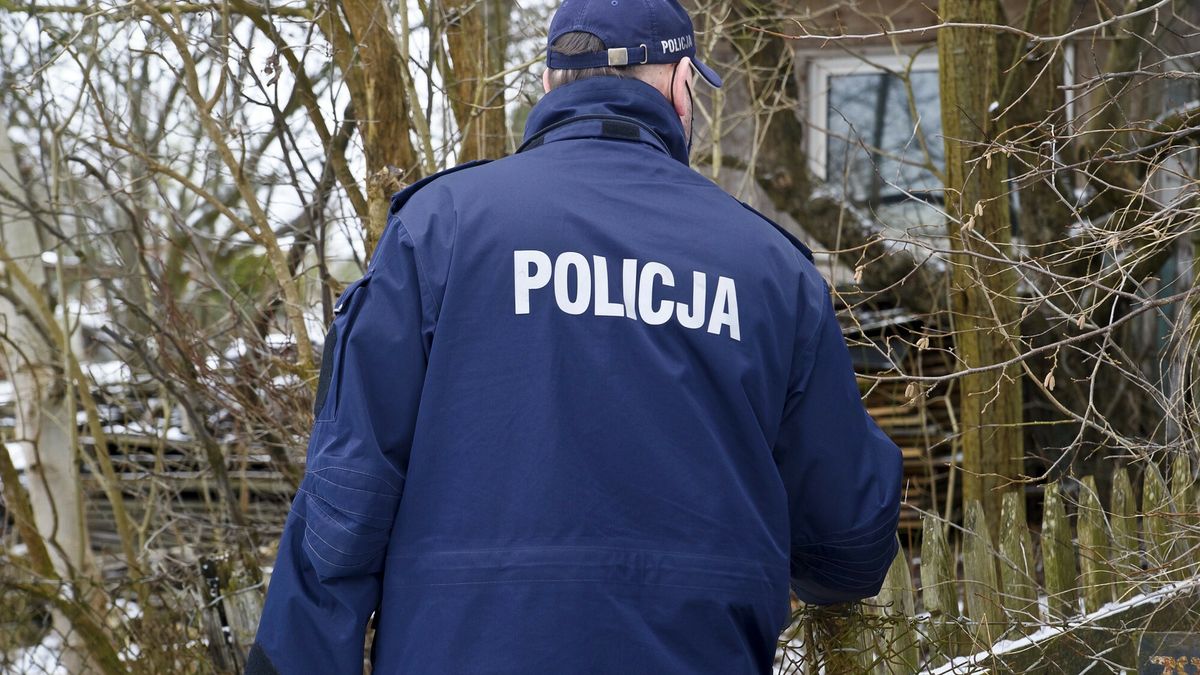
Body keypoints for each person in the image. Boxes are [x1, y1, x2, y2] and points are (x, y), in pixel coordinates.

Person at [249, 0, 903, 672]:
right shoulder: (769, 270)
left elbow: (346, 498)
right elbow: (848, 543)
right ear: (682, 86)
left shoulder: (438, 231)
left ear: (549, 83)